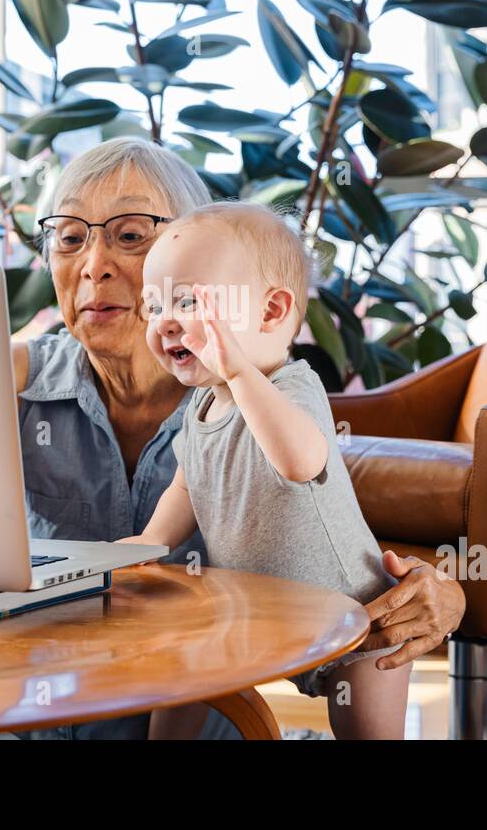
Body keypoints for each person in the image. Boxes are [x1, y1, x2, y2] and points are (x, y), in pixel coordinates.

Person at [11, 137, 465, 739]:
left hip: (307, 648)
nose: (94, 263)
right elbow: (190, 481)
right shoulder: (11, 375)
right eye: (70, 237)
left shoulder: (267, 389)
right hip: (53, 713)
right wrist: (144, 544)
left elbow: (325, 486)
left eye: (129, 235)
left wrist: (448, 593)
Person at [121, 201, 411, 739]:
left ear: (272, 313)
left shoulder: (290, 387)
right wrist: (148, 543)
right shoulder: (203, 405)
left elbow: (299, 461)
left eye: (187, 301)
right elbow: (188, 485)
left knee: (368, 733)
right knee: (182, 677)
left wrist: (237, 371)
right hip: (262, 615)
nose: (164, 322)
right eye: (153, 306)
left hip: (358, 615)